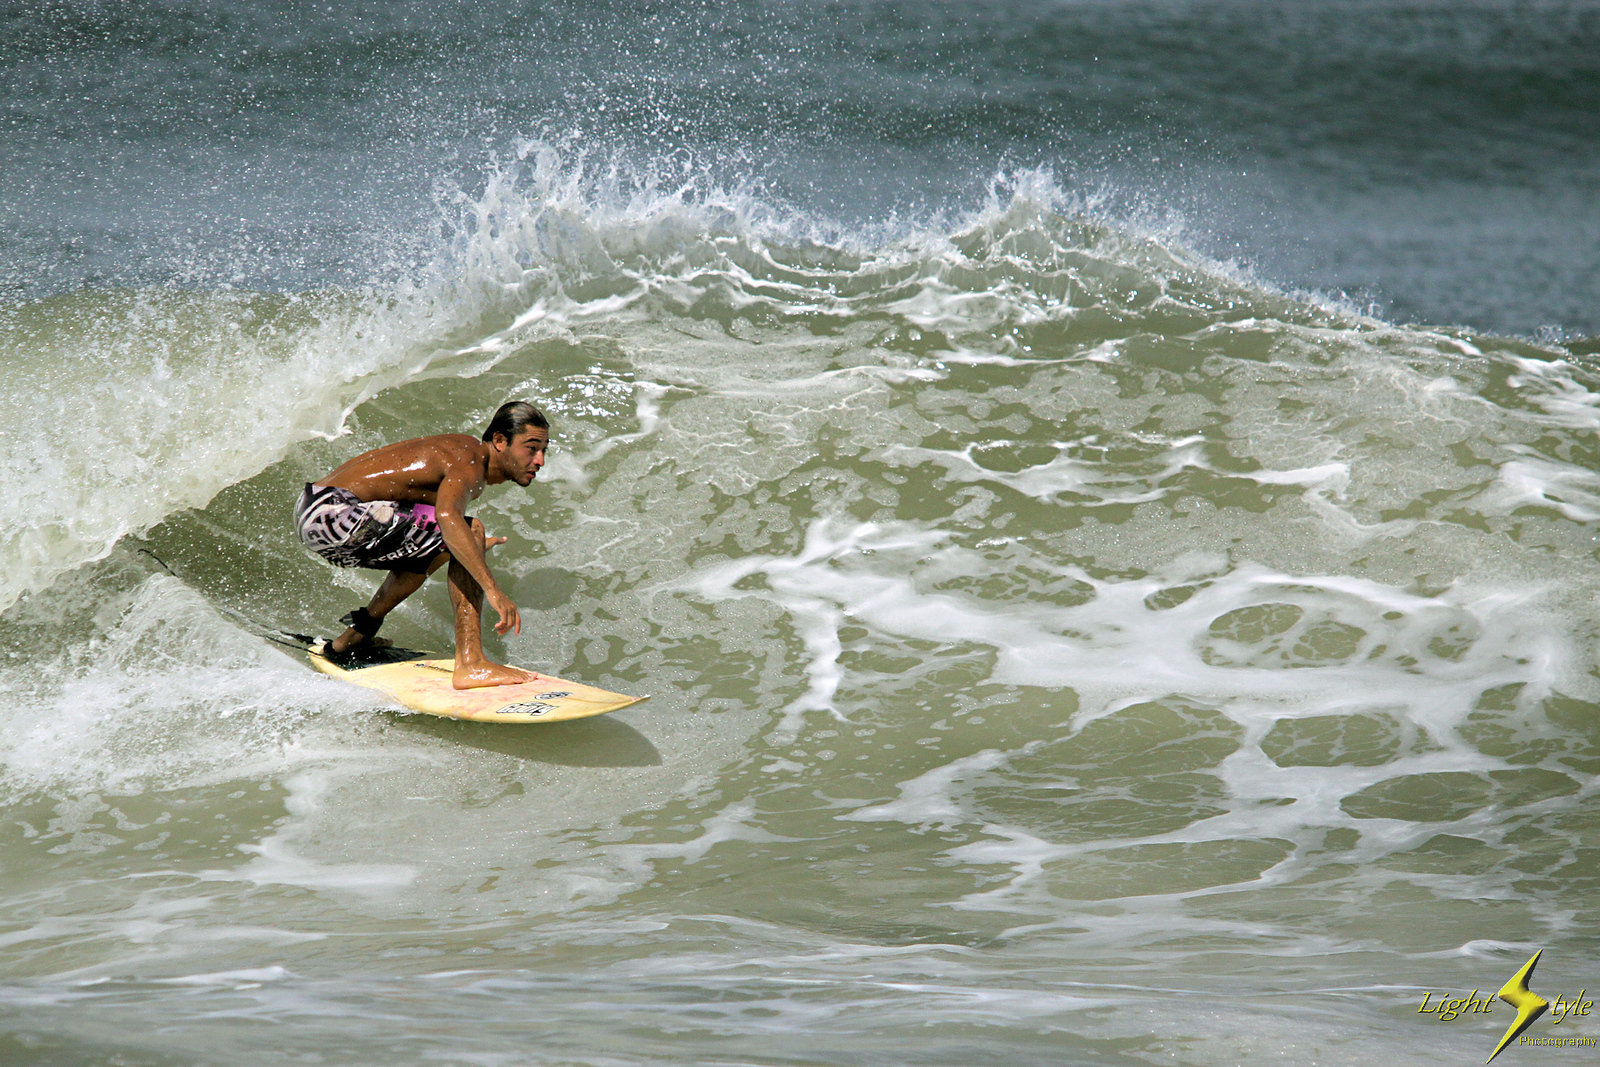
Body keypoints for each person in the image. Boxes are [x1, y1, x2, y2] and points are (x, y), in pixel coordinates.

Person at [293, 400, 552, 690]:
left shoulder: (460, 452)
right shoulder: (470, 461)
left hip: (314, 511)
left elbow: (426, 526)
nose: (540, 460)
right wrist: (493, 588)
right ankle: (472, 664)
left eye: (544, 450)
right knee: (470, 529)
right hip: (334, 513)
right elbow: (448, 516)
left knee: (446, 548)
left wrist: (469, 549)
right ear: (500, 441)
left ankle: (353, 638)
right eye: (531, 448)